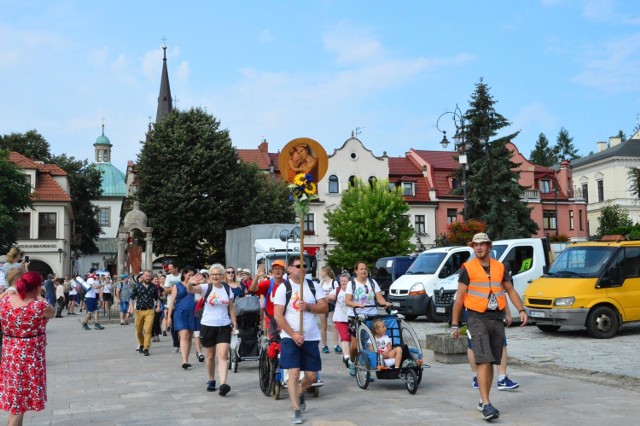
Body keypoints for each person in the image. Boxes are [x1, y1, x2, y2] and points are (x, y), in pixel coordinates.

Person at [451, 233, 528, 422]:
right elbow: (459, 298)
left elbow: (509, 290)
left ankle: (484, 400)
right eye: (475, 245)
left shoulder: (500, 267)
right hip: (476, 317)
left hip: (496, 317)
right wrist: (454, 323)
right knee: (484, 359)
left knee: (492, 360)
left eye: (482, 244)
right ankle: (486, 404)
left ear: (489, 246)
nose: (478, 248)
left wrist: (520, 309)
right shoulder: (467, 269)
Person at [273, 257, 328, 425]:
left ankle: (300, 392)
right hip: (290, 338)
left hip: (311, 337)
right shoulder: (284, 288)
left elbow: (324, 307)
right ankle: (296, 408)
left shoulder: (313, 286)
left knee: (311, 376)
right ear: (290, 268)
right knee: (294, 373)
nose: (302, 268)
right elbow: (278, 315)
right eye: (298, 266)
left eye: (304, 266)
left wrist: (309, 307)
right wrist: (293, 334)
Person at [0, 271, 55, 425]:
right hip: (29, 359)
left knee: (16, 400)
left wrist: (7, 292)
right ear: (37, 287)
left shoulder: (5, 301)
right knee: (18, 403)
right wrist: (38, 296)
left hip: (10, 356)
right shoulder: (40, 305)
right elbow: (52, 313)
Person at [187, 264, 237, 396]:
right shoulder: (205, 287)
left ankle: (223, 384)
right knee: (210, 356)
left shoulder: (227, 289)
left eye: (218, 274)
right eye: (213, 274)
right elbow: (191, 290)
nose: (215, 276)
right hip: (208, 325)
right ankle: (211, 379)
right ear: (209, 276)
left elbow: (231, 308)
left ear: (222, 276)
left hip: (224, 325)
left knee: (222, 356)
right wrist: (190, 283)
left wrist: (234, 323)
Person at [345, 260, 391, 375]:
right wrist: (357, 305)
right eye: (361, 269)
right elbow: (348, 301)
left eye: (365, 269)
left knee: (368, 343)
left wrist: (385, 303)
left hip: (371, 315)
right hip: (355, 316)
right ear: (356, 271)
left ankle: (366, 368)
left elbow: (379, 298)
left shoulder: (372, 282)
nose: (364, 271)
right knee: (355, 346)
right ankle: (352, 361)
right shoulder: (352, 284)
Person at [468, 302, 519, 390]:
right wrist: (455, 323)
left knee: (501, 342)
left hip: (495, 312)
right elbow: (460, 297)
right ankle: (477, 377)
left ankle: (502, 379)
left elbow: (502, 293)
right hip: (474, 312)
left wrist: (508, 313)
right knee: (474, 344)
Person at [167, 265, 198, 369]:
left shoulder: (196, 286)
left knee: (189, 337)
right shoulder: (177, 286)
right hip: (180, 313)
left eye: (193, 275)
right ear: (184, 274)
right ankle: (184, 361)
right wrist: (168, 317)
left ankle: (187, 358)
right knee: (183, 336)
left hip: (193, 313)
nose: (191, 277)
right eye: (189, 275)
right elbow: (171, 302)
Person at [249, 260, 286, 341]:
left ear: (284, 271)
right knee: (272, 346)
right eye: (275, 269)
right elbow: (252, 289)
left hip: (285, 319)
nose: (277, 271)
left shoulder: (288, 285)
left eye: (280, 269)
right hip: (271, 320)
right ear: (272, 271)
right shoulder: (268, 283)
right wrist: (257, 276)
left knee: (285, 344)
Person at [128, 270, 162, 356]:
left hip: (150, 310)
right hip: (139, 310)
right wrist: (131, 306)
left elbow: (157, 298)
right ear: (142, 277)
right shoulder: (137, 286)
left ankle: (146, 348)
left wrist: (158, 306)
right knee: (139, 330)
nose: (148, 278)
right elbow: (132, 297)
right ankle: (141, 343)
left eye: (149, 276)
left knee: (148, 330)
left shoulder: (154, 287)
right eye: (146, 276)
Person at [326, 272, 352, 366]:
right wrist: (330, 297)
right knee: (345, 337)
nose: (343, 283)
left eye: (345, 281)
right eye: (342, 281)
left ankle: (350, 355)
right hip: (340, 318)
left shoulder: (352, 290)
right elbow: (327, 297)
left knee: (351, 338)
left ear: (349, 282)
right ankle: (346, 356)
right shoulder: (337, 290)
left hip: (351, 318)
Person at [318, 265, 339, 354]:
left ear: (326, 272)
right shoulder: (321, 283)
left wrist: (330, 297)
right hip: (323, 305)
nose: (320, 273)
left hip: (332, 305)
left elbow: (337, 293)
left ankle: (336, 345)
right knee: (323, 326)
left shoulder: (334, 283)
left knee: (334, 325)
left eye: (322, 271)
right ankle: (324, 345)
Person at [164, 261, 181, 353]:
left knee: (182, 326)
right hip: (171, 304)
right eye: (169, 268)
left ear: (176, 268)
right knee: (173, 326)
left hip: (180, 304)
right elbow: (166, 290)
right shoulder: (168, 277)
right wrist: (175, 288)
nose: (169, 270)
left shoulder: (181, 276)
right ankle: (176, 344)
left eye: (171, 268)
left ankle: (183, 344)